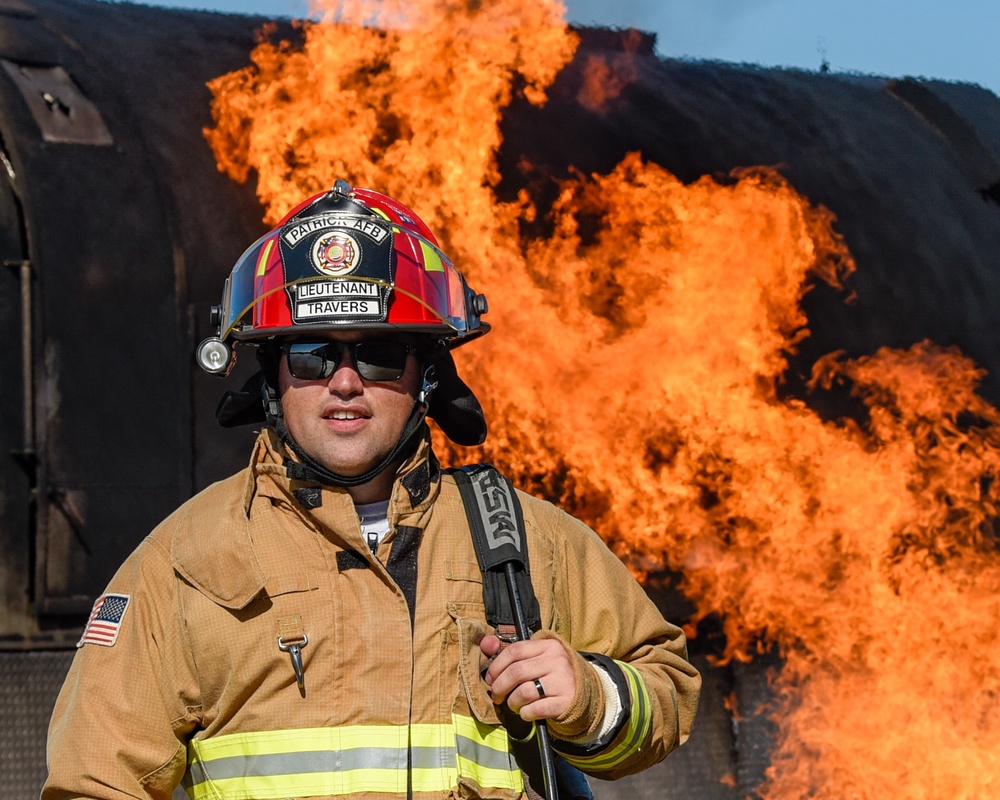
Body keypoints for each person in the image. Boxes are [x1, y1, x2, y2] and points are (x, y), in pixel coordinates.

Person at [42, 181, 701, 800]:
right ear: (271, 375)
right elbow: (94, 781)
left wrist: (593, 697)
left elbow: (666, 684)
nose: (346, 381)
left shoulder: (526, 543)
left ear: (427, 376)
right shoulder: (186, 562)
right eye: (312, 354)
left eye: (380, 353)